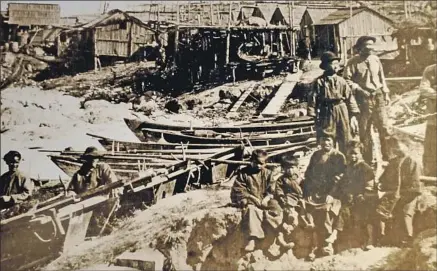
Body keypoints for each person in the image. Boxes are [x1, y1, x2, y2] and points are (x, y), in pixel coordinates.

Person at [343, 36, 391, 165]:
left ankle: (388, 157)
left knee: (384, 127)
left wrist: (386, 93)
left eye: (371, 45)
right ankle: (367, 159)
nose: (370, 48)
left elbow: (382, 77)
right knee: (364, 130)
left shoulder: (375, 59)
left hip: (378, 95)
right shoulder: (353, 62)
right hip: (363, 98)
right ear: (360, 47)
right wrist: (359, 89)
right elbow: (347, 79)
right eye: (366, 45)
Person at [231, 149, 283, 252]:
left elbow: (272, 189)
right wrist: (252, 197)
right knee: (250, 210)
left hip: (265, 199)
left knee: (276, 208)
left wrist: (267, 198)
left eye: (262, 164)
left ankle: (280, 236)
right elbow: (238, 189)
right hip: (250, 199)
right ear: (252, 161)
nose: (259, 166)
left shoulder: (268, 173)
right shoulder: (244, 173)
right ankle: (253, 239)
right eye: (257, 163)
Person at [307, 51, 360, 154]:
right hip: (326, 111)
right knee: (328, 136)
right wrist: (313, 114)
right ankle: (330, 162)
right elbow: (312, 98)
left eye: (337, 64)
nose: (335, 67)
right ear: (326, 65)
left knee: (345, 136)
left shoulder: (342, 81)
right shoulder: (319, 81)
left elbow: (350, 98)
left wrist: (353, 114)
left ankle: (344, 161)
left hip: (342, 109)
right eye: (332, 64)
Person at [303, 132, 346, 258]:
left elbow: (341, 177)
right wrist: (309, 191)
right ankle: (314, 245)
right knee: (308, 210)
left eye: (327, 140)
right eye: (322, 140)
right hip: (317, 192)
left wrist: (332, 193)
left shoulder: (338, 156)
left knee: (327, 210)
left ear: (332, 141)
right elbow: (309, 174)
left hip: (334, 193)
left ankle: (328, 244)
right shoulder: (316, 155)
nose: (325, 143)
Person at [376, 136, 423, 247]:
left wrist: (402, 194)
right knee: (381, 211)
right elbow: (384, 180)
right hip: (393, 194)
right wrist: (381, 185)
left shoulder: (412, 162)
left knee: (405, 213)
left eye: (399, 146)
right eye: (394, 147)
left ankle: (408, 238)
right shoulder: (393, 162)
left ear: (406, 147)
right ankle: (383, 237)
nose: (397, 149)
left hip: (409, 194)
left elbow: (415, 184)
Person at [339, 140, 376, 250]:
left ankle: (370, 239)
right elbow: (345, 183)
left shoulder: (365, 168)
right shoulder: (348, 167)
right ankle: (352, 240)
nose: (353, 156)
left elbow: (370, 186)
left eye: (355, 153)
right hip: (351, 197)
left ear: (361, 153)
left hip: (364, 197)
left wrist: (361, 195)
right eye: (351, 153)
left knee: (365, 215)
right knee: (344, 212)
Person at [419, 64, 436, 177]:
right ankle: (430, 174)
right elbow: (424, 89)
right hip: (433, 120)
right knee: (431, 148)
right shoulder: (430, 70)